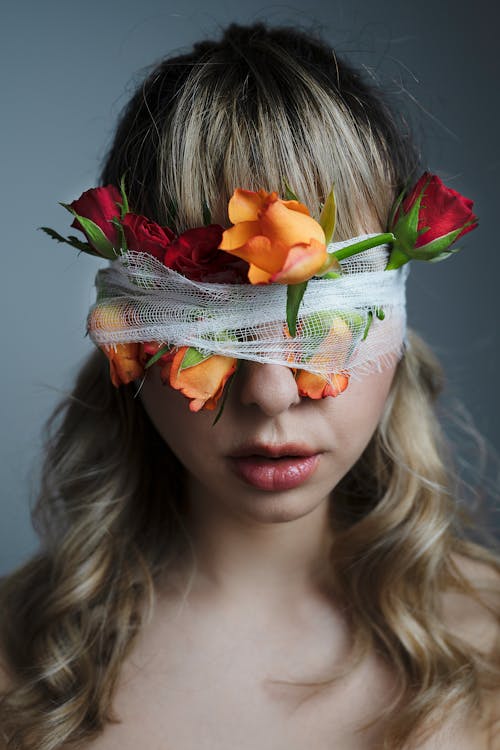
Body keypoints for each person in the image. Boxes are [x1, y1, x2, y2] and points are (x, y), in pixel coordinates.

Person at [1, 21, 499, 750]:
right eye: (207, 322)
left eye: (323, 320)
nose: (270, 394)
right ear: (127, 329)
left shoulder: (491, 644)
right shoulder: (19, 670)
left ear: (394, 320)